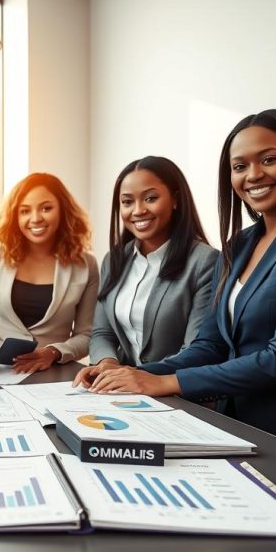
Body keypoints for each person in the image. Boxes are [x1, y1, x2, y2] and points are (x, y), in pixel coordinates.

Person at [83, 109, 276, 466]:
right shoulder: (240, 245)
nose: (253, 175)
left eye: (269, 159)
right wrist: (130, 375)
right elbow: (211, 345)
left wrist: (167, 383)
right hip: (233, 425)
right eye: (239, 166)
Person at [72, 156, 218, 390]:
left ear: (175, 200)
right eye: (127, 202)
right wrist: (108, 363)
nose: (138, 210)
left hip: (177, 392)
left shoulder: (205, 261)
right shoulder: (115, 259)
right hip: (123, 390)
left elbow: (197, 350)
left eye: (151, 198)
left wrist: (136, 374)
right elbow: (101, 332)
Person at [0, 173, 98, 376]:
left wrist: (54, 352)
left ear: (63, 210)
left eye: (46, 208)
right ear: (15, 216)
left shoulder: (86, 264)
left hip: (53, 374)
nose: (35, 218)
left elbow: (87, 334)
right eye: (25, 211)